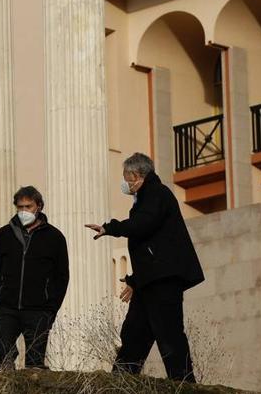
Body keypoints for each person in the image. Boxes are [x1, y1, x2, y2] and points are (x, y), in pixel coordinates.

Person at [86, 152, 204, 382]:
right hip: (148, 281)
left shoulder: (156, 193)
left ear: (136, 175)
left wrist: (110, 227)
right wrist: (134, 280)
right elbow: (149, 247)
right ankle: (120, 383)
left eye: (126, 178)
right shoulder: (148, 197)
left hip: (163, 279)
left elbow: (143, 226)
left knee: (169, 333)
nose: (125, 183)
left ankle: (184, 384)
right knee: (135, 334)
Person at [0, 185, 69, 370]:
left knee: (35, 364)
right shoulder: (4, 234)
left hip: (38, 310)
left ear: (39, 206)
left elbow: (61, 276)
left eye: (28, 206)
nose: (24, 211)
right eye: (20, 207)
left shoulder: (55, 237)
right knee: (3, 356)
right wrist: (4, 291)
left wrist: (51, 309)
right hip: (7, 308)